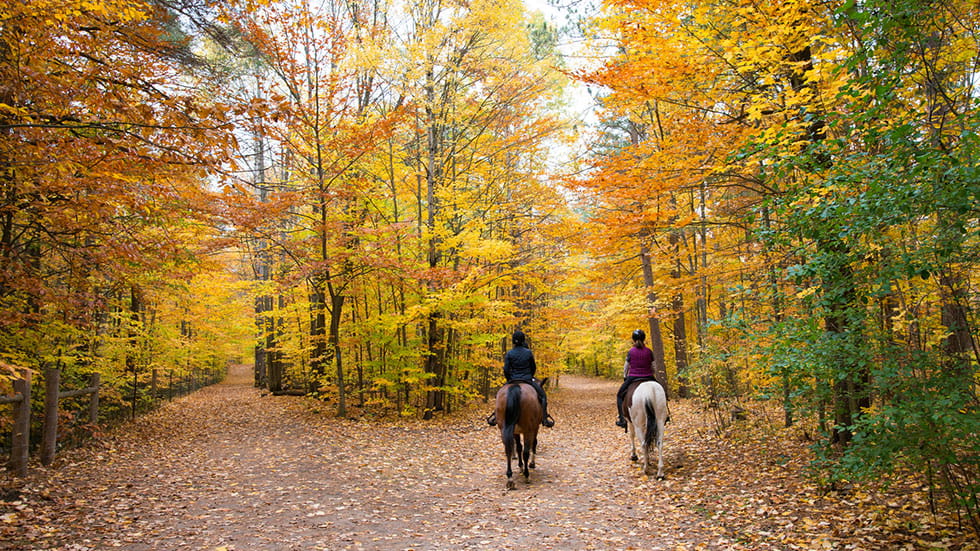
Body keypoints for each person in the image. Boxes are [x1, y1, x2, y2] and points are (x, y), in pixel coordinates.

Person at [487, 330, 555, 427]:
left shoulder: (509, 353)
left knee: (500, 395)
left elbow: (506, 369)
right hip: (527, 379)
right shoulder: (528, 352)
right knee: (543, 396)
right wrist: (530, 376)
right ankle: (544, 418)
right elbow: (533, 367)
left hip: (512, 380)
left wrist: (509, 379)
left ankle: (495, 416)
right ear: (523, 340)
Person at [615, 329, 662, 429]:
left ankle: (622, 419)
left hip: (633, 377)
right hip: (648, 376)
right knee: (662, 392)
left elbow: (626, 366)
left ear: (633, 339)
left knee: (619, 395)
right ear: (644, 338)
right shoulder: (649, 351)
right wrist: (652, 374)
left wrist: (625, 376)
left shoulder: (631, 352)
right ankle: (665, 415)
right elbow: (654, 366)